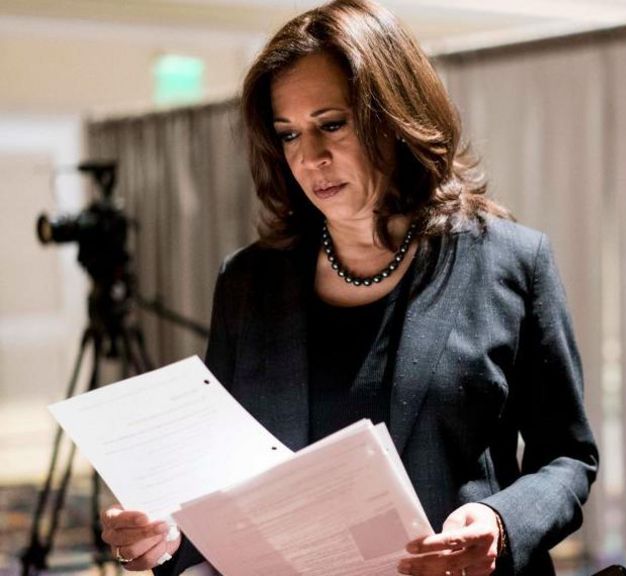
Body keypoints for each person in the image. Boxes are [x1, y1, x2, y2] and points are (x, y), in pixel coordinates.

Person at [97, 1, 598, 574]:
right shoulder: (249, 282)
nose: (310, 158)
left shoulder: (510, 261)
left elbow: (567, 458)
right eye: (288, 135)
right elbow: (221, 488)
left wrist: (500, 524)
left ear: (395, 117)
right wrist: (164, 531)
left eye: (332, 124)